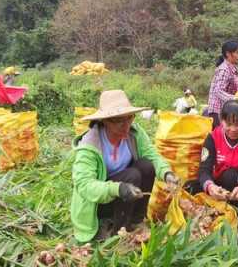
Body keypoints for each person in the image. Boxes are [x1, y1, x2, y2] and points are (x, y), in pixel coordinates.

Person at [70, 90, 180, 242]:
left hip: (127, 193)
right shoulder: (90, 146)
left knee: (146, 166)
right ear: (105, 121)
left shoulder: (134, 133)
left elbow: (151, 154)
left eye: (129, 118)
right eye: (119, 121)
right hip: (97, 204)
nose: (126, 125)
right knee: (132, 175)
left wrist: (167, 173)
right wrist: (117, 188)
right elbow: (84, 185)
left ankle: (135, 222)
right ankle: (119, 232)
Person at [207, 40, 238, 130]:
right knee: (223, 137)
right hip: (218, 111)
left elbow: (232, 87)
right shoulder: (224, 69)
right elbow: (218, 90)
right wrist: (234, 98)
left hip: (227, 109)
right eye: (237, 53)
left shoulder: (232, 67)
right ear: (228, 54)